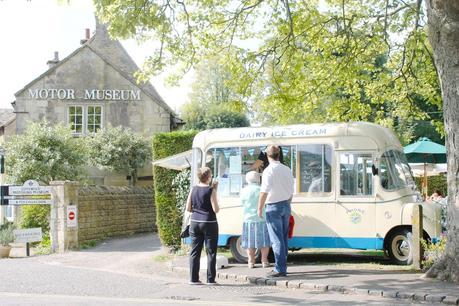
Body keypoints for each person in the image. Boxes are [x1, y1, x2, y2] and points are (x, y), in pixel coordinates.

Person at [257, 145, 294, 278]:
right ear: (279, 155)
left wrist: (259, 208)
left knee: (276, 239)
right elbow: (291, 190)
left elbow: (264, 191)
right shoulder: (287, 169)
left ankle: (280, 269)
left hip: (273, 206)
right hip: (286, 205)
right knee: (283, 238)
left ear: (267, 156)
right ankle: (282, 266)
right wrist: (287, 203)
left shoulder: (268, 170)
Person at [186, 167, 220, 285]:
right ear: (209, 177)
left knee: (195, 251)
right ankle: (210, 279)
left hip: (195, 222)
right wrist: (215, 190)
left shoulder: (193, 189)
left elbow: (188, 208)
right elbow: (216, 209)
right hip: (209, 222)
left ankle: (193, 279)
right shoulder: (211, 190)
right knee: (211, 252)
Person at [240, 171, 271, 269]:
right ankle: (264, 261)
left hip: (249, 219)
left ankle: (251, 261)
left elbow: (242, 203)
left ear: (247, 179)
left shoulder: (243, 191)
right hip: (262, 218)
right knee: (264, 241)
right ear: (259, 179)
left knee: (250, 242)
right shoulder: (262, 190)